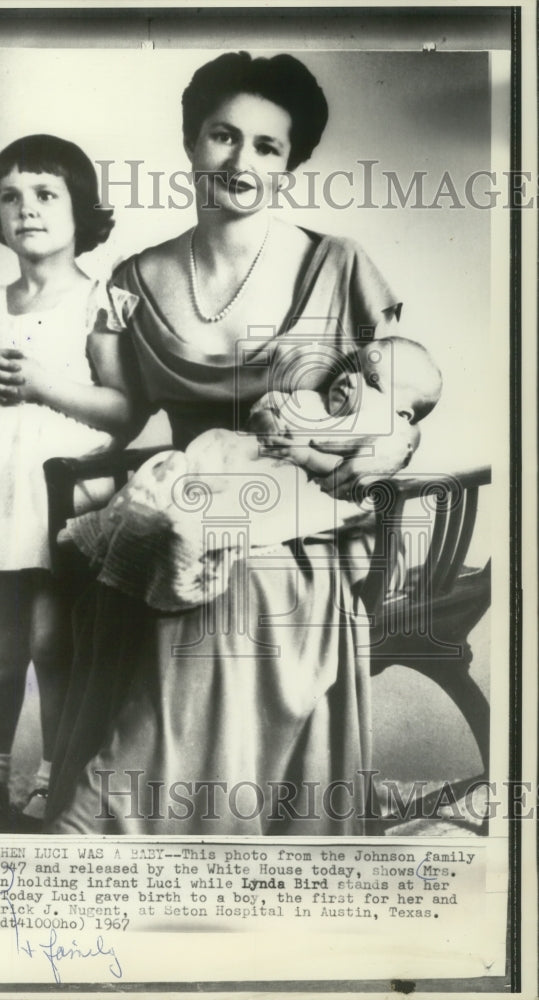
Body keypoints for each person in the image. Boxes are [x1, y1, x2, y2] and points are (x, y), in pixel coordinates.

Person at [34, 51, 421, 835]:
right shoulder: (135, 279)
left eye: (266, 146)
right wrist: (39, 377)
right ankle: (136, 806)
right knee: (161, 544)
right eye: (222, 136)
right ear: (191, 145)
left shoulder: (335, 263)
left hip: (304, 507)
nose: (240, 161)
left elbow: (398, 392)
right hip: (180, 489)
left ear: (290, 164)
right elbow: (122, 417)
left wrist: (393, 447)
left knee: (238, 581)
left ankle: (105, 805)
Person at [0, 134, 132, 833]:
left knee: (55, 642)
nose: (27, 210)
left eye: (46, 194)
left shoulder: (99, 299)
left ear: (81, 209)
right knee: (3, 644)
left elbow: (124, 408)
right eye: (10, 197)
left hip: (63, 489)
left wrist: (45, 384)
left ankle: (56, 778)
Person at [60, 336, 442, 612]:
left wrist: (308, 456)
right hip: (237, 459)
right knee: (174, 476)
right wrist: (268, 421)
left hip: (288, 486)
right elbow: (268, 408)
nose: (352, 379)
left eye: (372, 382)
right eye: (357, 367)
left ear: (401, 416)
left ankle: (185, 550)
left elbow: (341, 478)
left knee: (226, 513)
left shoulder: (377, 436)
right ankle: (123, 525)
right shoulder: (309, 401)